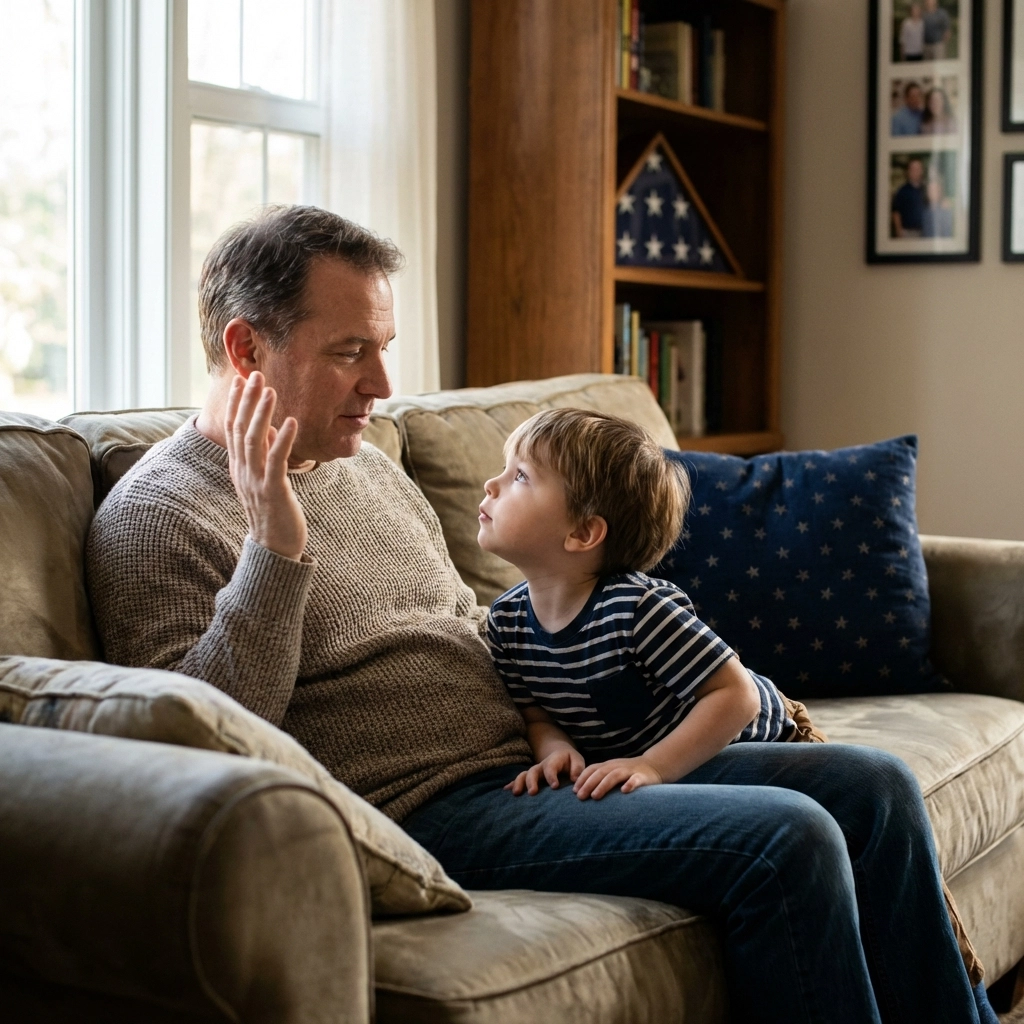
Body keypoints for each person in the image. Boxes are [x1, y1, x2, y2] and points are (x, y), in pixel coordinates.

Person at [87, 205, 995, 1024]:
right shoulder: (155, 516)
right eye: (349, 351)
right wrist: (274, 552)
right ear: (247, 351)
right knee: (785, 842)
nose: (382, 384)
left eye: (384, 345)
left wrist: (563, 731)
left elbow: (475, 629)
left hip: (539, 764)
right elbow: (197, 743)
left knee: (872, 788)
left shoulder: (360, 464)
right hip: (426, 807)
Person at [480, 408, 822, 804]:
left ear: (583, 532)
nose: (491, 484)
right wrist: (555, 750)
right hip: (672, 761)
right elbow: (536, 713)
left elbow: (737, 696)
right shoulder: (506, 623)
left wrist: (652, 766)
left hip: (768, 738)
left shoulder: (638, 608)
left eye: (520, 476)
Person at [892, 156, 927, 236]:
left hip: (925, 232)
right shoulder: (902, 191)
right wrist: (899, 231)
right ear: (908, 171)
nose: (916, 171)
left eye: (918, 169)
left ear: (922, 171)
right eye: (913, 169)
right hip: (908, 233)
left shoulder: (927, 190)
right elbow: (896, 213)